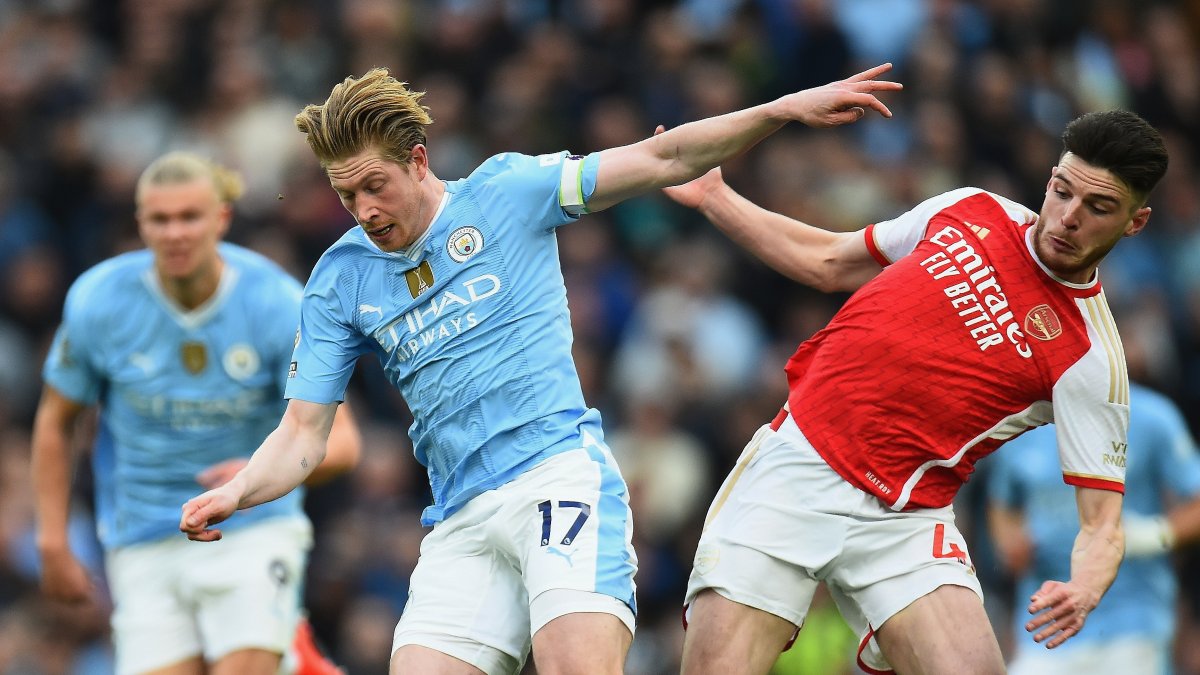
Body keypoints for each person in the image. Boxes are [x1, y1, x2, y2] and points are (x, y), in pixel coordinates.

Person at [178, 64, 902, 675]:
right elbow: (304, 432)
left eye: (374, 186)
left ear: (419, 160)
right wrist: (239, 490)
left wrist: (778, 109)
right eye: (346, 195)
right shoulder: (340, 280)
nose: (363, 210)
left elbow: (663, 159)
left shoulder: (508, 193)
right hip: (460, 516)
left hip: (556, 478)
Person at [660, 108, 1169, 675]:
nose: (1069, 217)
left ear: (1135, 222)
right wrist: (713, 197)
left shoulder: (1092, 358)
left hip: (902, 519)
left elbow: (1102, 524)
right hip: (798, 464)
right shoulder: (973, 208)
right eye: (1061, 191)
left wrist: (1085, 586)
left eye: (1098, 208)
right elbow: (828, 261)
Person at [32, 151, 362, 675]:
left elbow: (343, 442)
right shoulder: (99, 302)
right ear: (140, 223)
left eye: (190, 216)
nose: (175, 233)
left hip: (252, 527)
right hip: (142, 533)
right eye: (160, 219)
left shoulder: (275, 302)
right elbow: (55, 421)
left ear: (221, 218)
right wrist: (52, 539)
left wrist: (254, 480)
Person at [988, 328, 1200, 675]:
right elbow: (1002, 502)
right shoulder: (1023, 425)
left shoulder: (1151, 417)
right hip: (1046, 622)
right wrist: (1008, 541)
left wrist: (1154, 534)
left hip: (1132, 620)